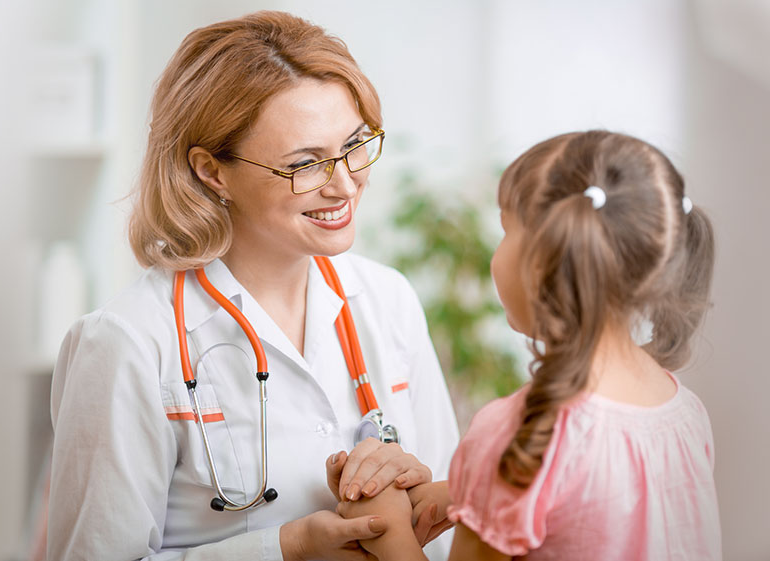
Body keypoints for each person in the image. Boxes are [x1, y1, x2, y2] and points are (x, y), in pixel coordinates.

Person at [45, 11, 460, 561]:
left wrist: (420, 501)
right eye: (305, 163)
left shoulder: (388, 300)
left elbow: (451, 535)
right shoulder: (127, 342)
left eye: (355, 144)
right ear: (211, 171)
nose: (344, 184)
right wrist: (285, 550)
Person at [328, 130, 722, 560]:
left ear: (540, 263)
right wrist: (464, 491)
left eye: (505, 230)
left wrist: (389, 532)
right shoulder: (682, 409)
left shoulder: (518, 435)